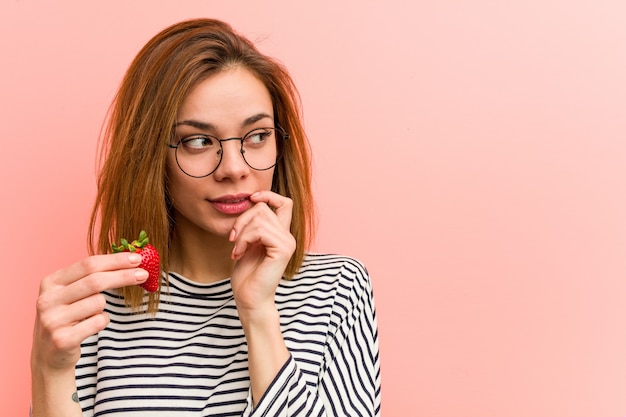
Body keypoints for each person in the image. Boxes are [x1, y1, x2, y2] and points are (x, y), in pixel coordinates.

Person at [31, 18, 381, 417]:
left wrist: (258, 312)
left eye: (256, 136)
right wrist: (49, 370)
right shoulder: (94, 308)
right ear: (151, 157)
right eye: (198, 141)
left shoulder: (335, 290)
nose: (233, 167)